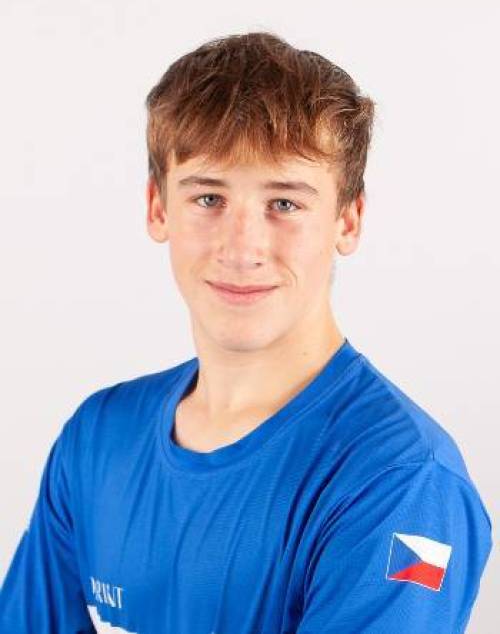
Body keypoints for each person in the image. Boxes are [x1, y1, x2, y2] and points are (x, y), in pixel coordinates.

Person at [0, 31, 492, 634]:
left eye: (284, 204)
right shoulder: (97, 439)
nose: (242, 247)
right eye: (209, 198)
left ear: (348, 219)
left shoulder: (402, 481)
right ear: (158, 207)